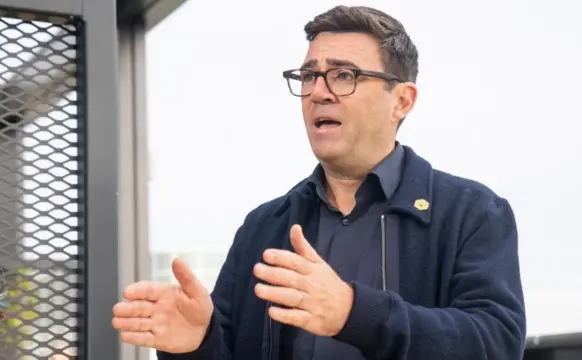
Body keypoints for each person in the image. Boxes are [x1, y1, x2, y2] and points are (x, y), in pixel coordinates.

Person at [112, 5, 526, 360]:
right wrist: (195, 345)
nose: (318, 92)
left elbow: (497, 343)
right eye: (309, 76)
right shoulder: (265, 225)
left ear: (402, 100)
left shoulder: (471, 212)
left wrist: (353, 312)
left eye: (343, 75)